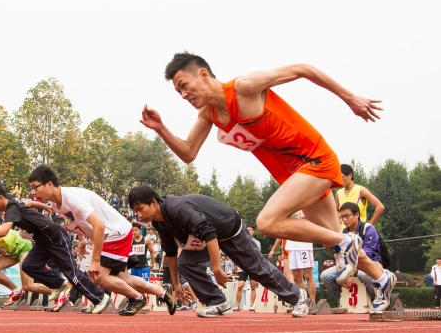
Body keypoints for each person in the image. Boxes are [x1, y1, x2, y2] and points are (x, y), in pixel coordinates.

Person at [141, 52, 395, 310]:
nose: (183, 95)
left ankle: (346, 243)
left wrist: (350, 98)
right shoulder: (209, 114)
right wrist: (161, 128)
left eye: (184, 85)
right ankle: (381, 278)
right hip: (296, 176)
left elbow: (303, 68)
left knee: (267, 222)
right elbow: (188, 153)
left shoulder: (244, 88)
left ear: (203, 74)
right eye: (178, 91)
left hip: (314, 160)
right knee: (334, 240)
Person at [128, 185, 309, 318]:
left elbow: (209, 232)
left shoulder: (177, 209)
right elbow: (170, 252)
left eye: (140, 209)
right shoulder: (158, 222)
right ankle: (217, 301)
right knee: (186, 262)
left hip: (228, 228)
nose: (139, 215)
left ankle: (297, 296)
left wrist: (216, 269)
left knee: (255, 268)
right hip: (205, 237)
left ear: (154, 202)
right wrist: (176, 284)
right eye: (135, 212)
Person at [28, 166, 176, 316]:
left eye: (35, 187)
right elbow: (74, 219)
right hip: (109, 234)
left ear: (49, 184)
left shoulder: (73, 198)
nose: (33, 192)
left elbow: (99, 225)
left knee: (99, 276)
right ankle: (163, 292)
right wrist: (81, 239)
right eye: (31, 188)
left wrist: (95, 260)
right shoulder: (56, 203)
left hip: (115, 233)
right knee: (124, 279)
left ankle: (137, 298)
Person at [0, 184, 112, 314]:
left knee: (71, 273)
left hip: (56, 237)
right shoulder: (15, 204)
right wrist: (45, 207)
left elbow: (4, 231)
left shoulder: (12, 208)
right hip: (42, 241)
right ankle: (59, 284)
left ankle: (100, 298)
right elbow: (29, 203)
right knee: (29, 265)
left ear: (0, 197)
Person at [320, 202, 395, 307]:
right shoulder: (343, 233)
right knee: (326, 275)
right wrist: (342, 270)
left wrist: (351, 274)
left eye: (347, 216)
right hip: (350, 265)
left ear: (357, 215)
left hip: (371, 262)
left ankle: (379, 298)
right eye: (342, 217)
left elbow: (367, 254)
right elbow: (338, 255)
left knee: (362, 274)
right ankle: (343, 302)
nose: (344, 219)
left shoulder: (368, 228)